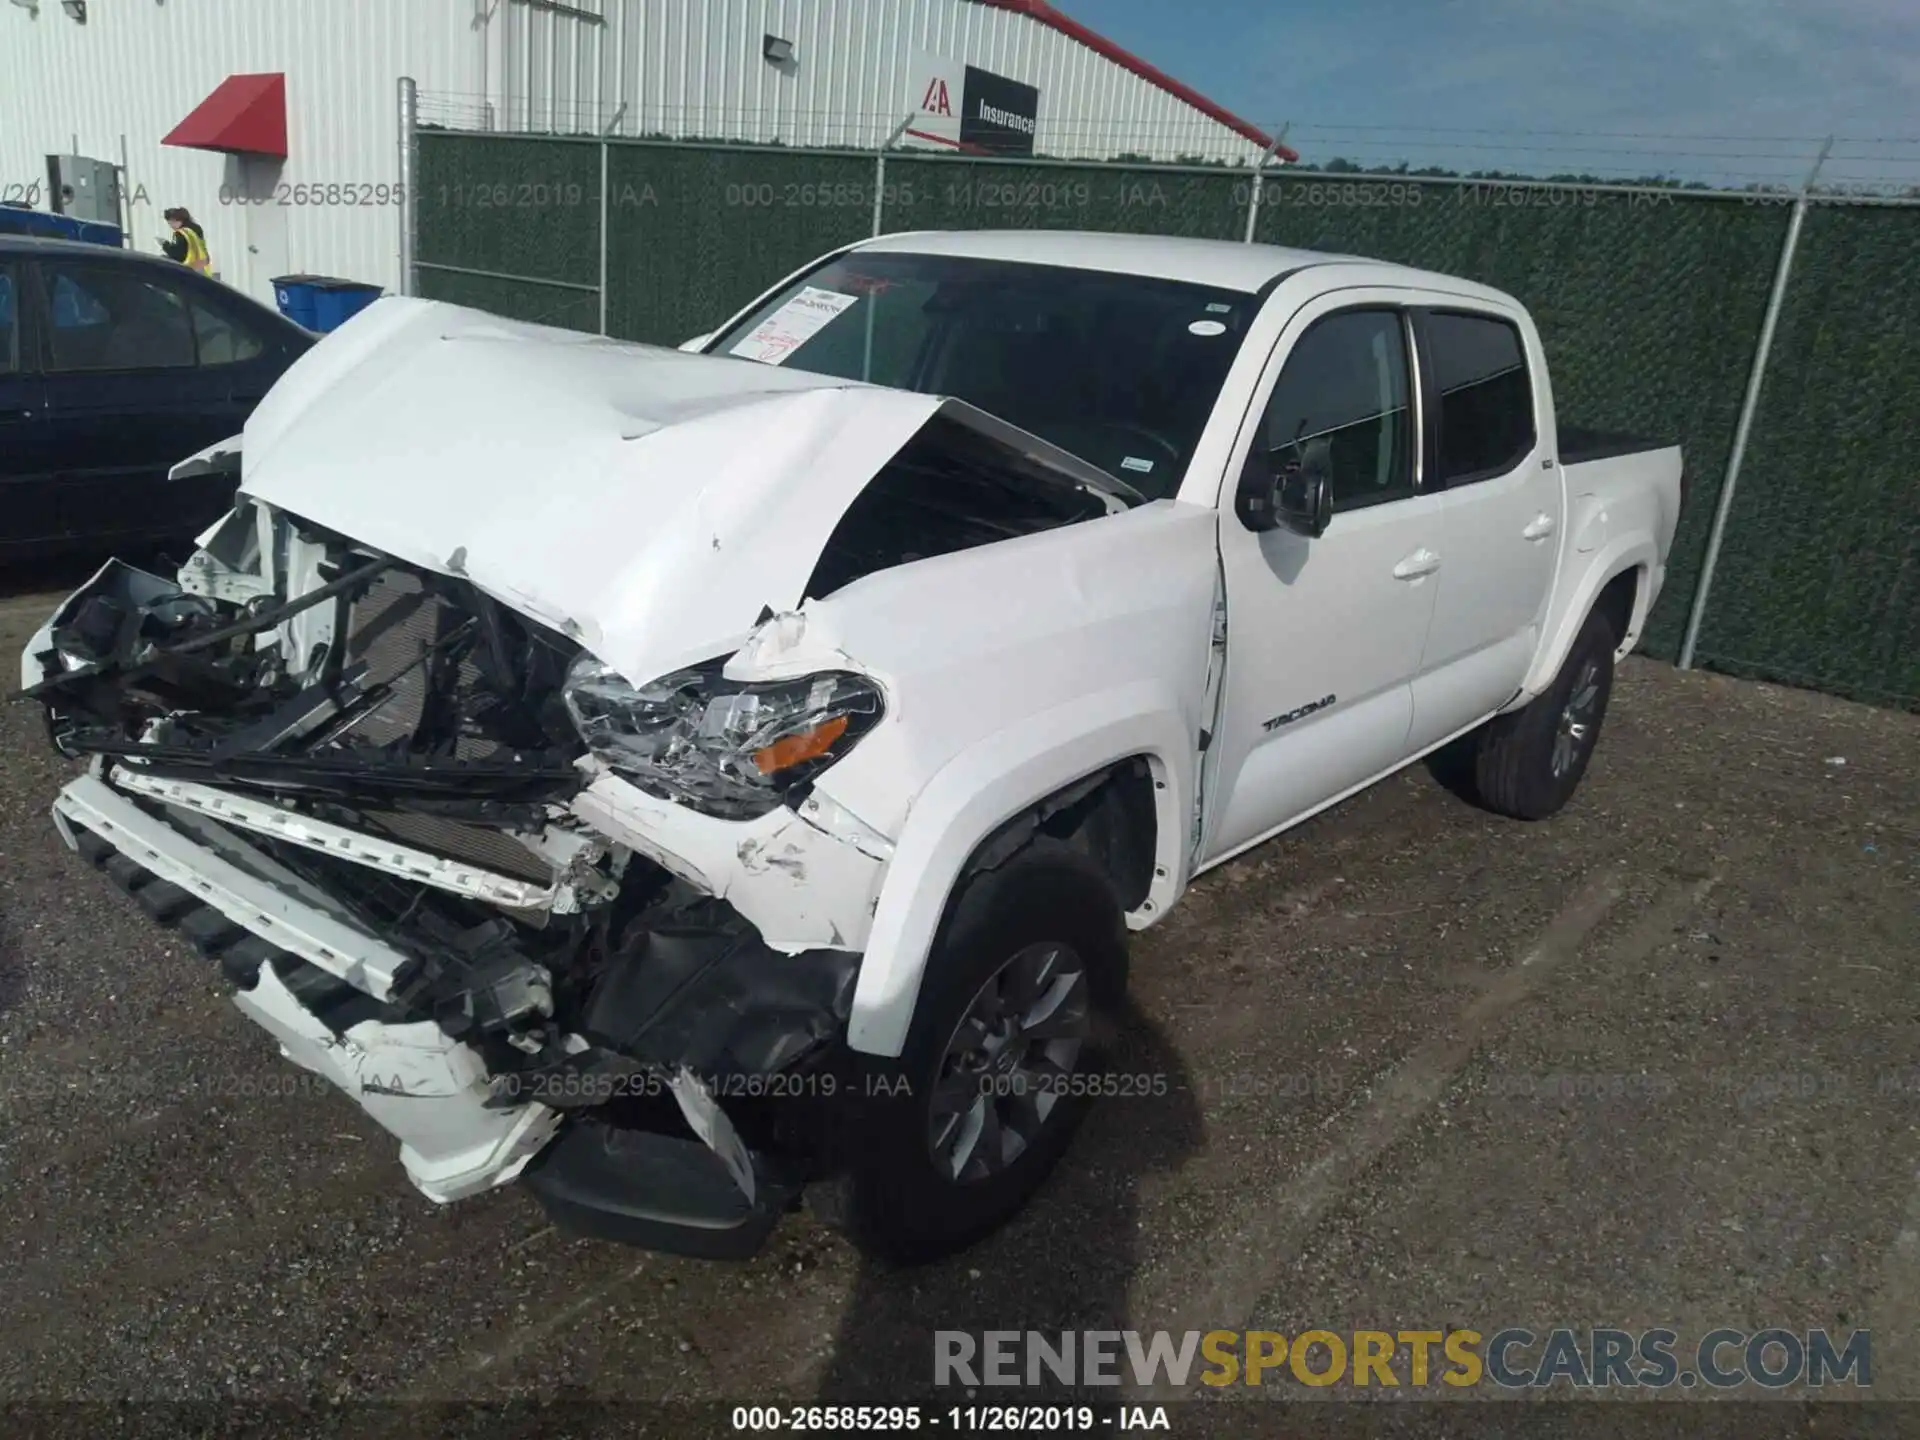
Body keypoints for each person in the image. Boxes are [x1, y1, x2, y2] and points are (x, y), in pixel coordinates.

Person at [160, 208, 212, 274]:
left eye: (170, 223)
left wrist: (165, 244)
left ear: (176, 220)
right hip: (203, 267)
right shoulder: (197, 228)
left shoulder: (181, 233)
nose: (171, 226)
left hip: (189, 269)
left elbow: (177, 255)